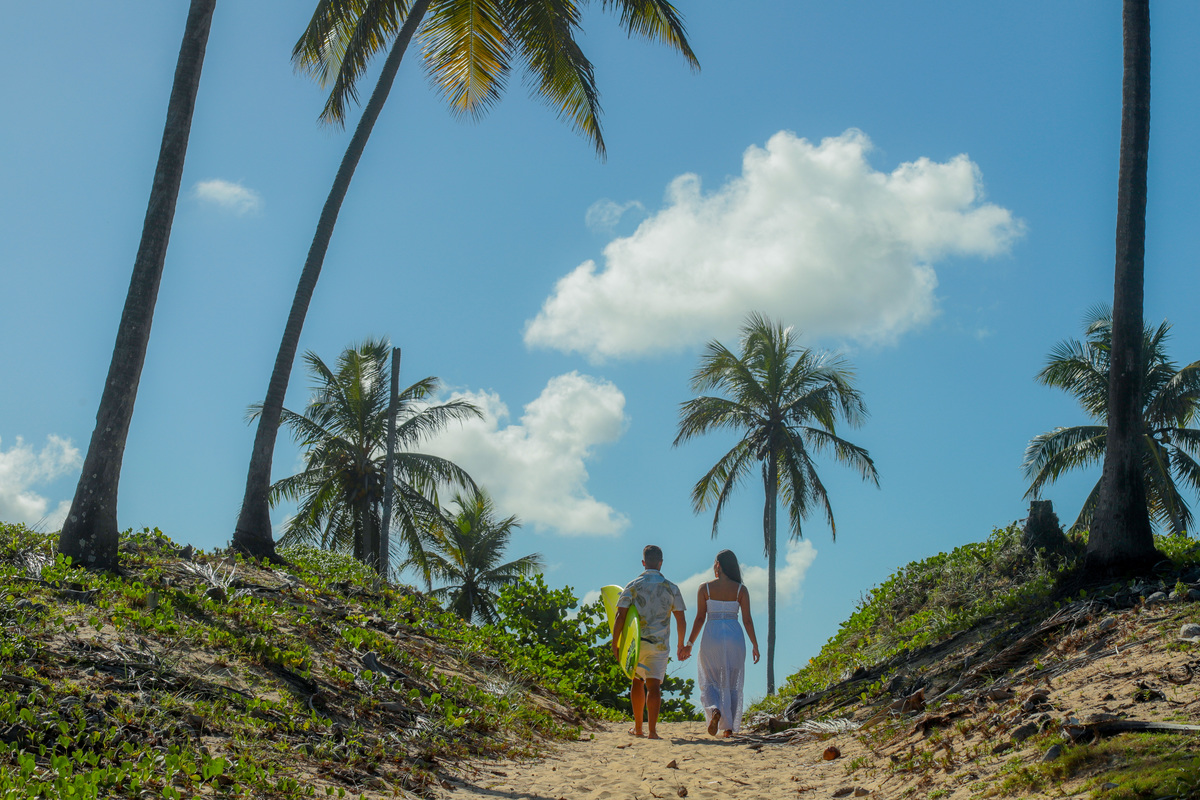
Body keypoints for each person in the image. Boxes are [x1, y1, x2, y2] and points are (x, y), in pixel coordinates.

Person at [681, 549, 760, 737]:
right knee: (732, 681)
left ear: (718, 565)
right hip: (734, 635)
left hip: (712, 635)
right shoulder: (741, 589)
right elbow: (747, 620)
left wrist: (689, 644)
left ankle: (714, 709)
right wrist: (755, 645)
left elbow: (700, 618)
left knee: (709, 679)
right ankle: (729, 728)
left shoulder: (705, 588)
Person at [612, 544, 687, 739]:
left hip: (637, 642)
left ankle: (638, 729)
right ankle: (652, 731)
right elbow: (681, 619)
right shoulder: (671, 588)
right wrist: (681, 644)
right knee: (654, 686)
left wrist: (616, 642)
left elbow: (621, 616)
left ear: (644, 563)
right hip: (659, 644)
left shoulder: (633, 585)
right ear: (661, 563)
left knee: (637, 681)